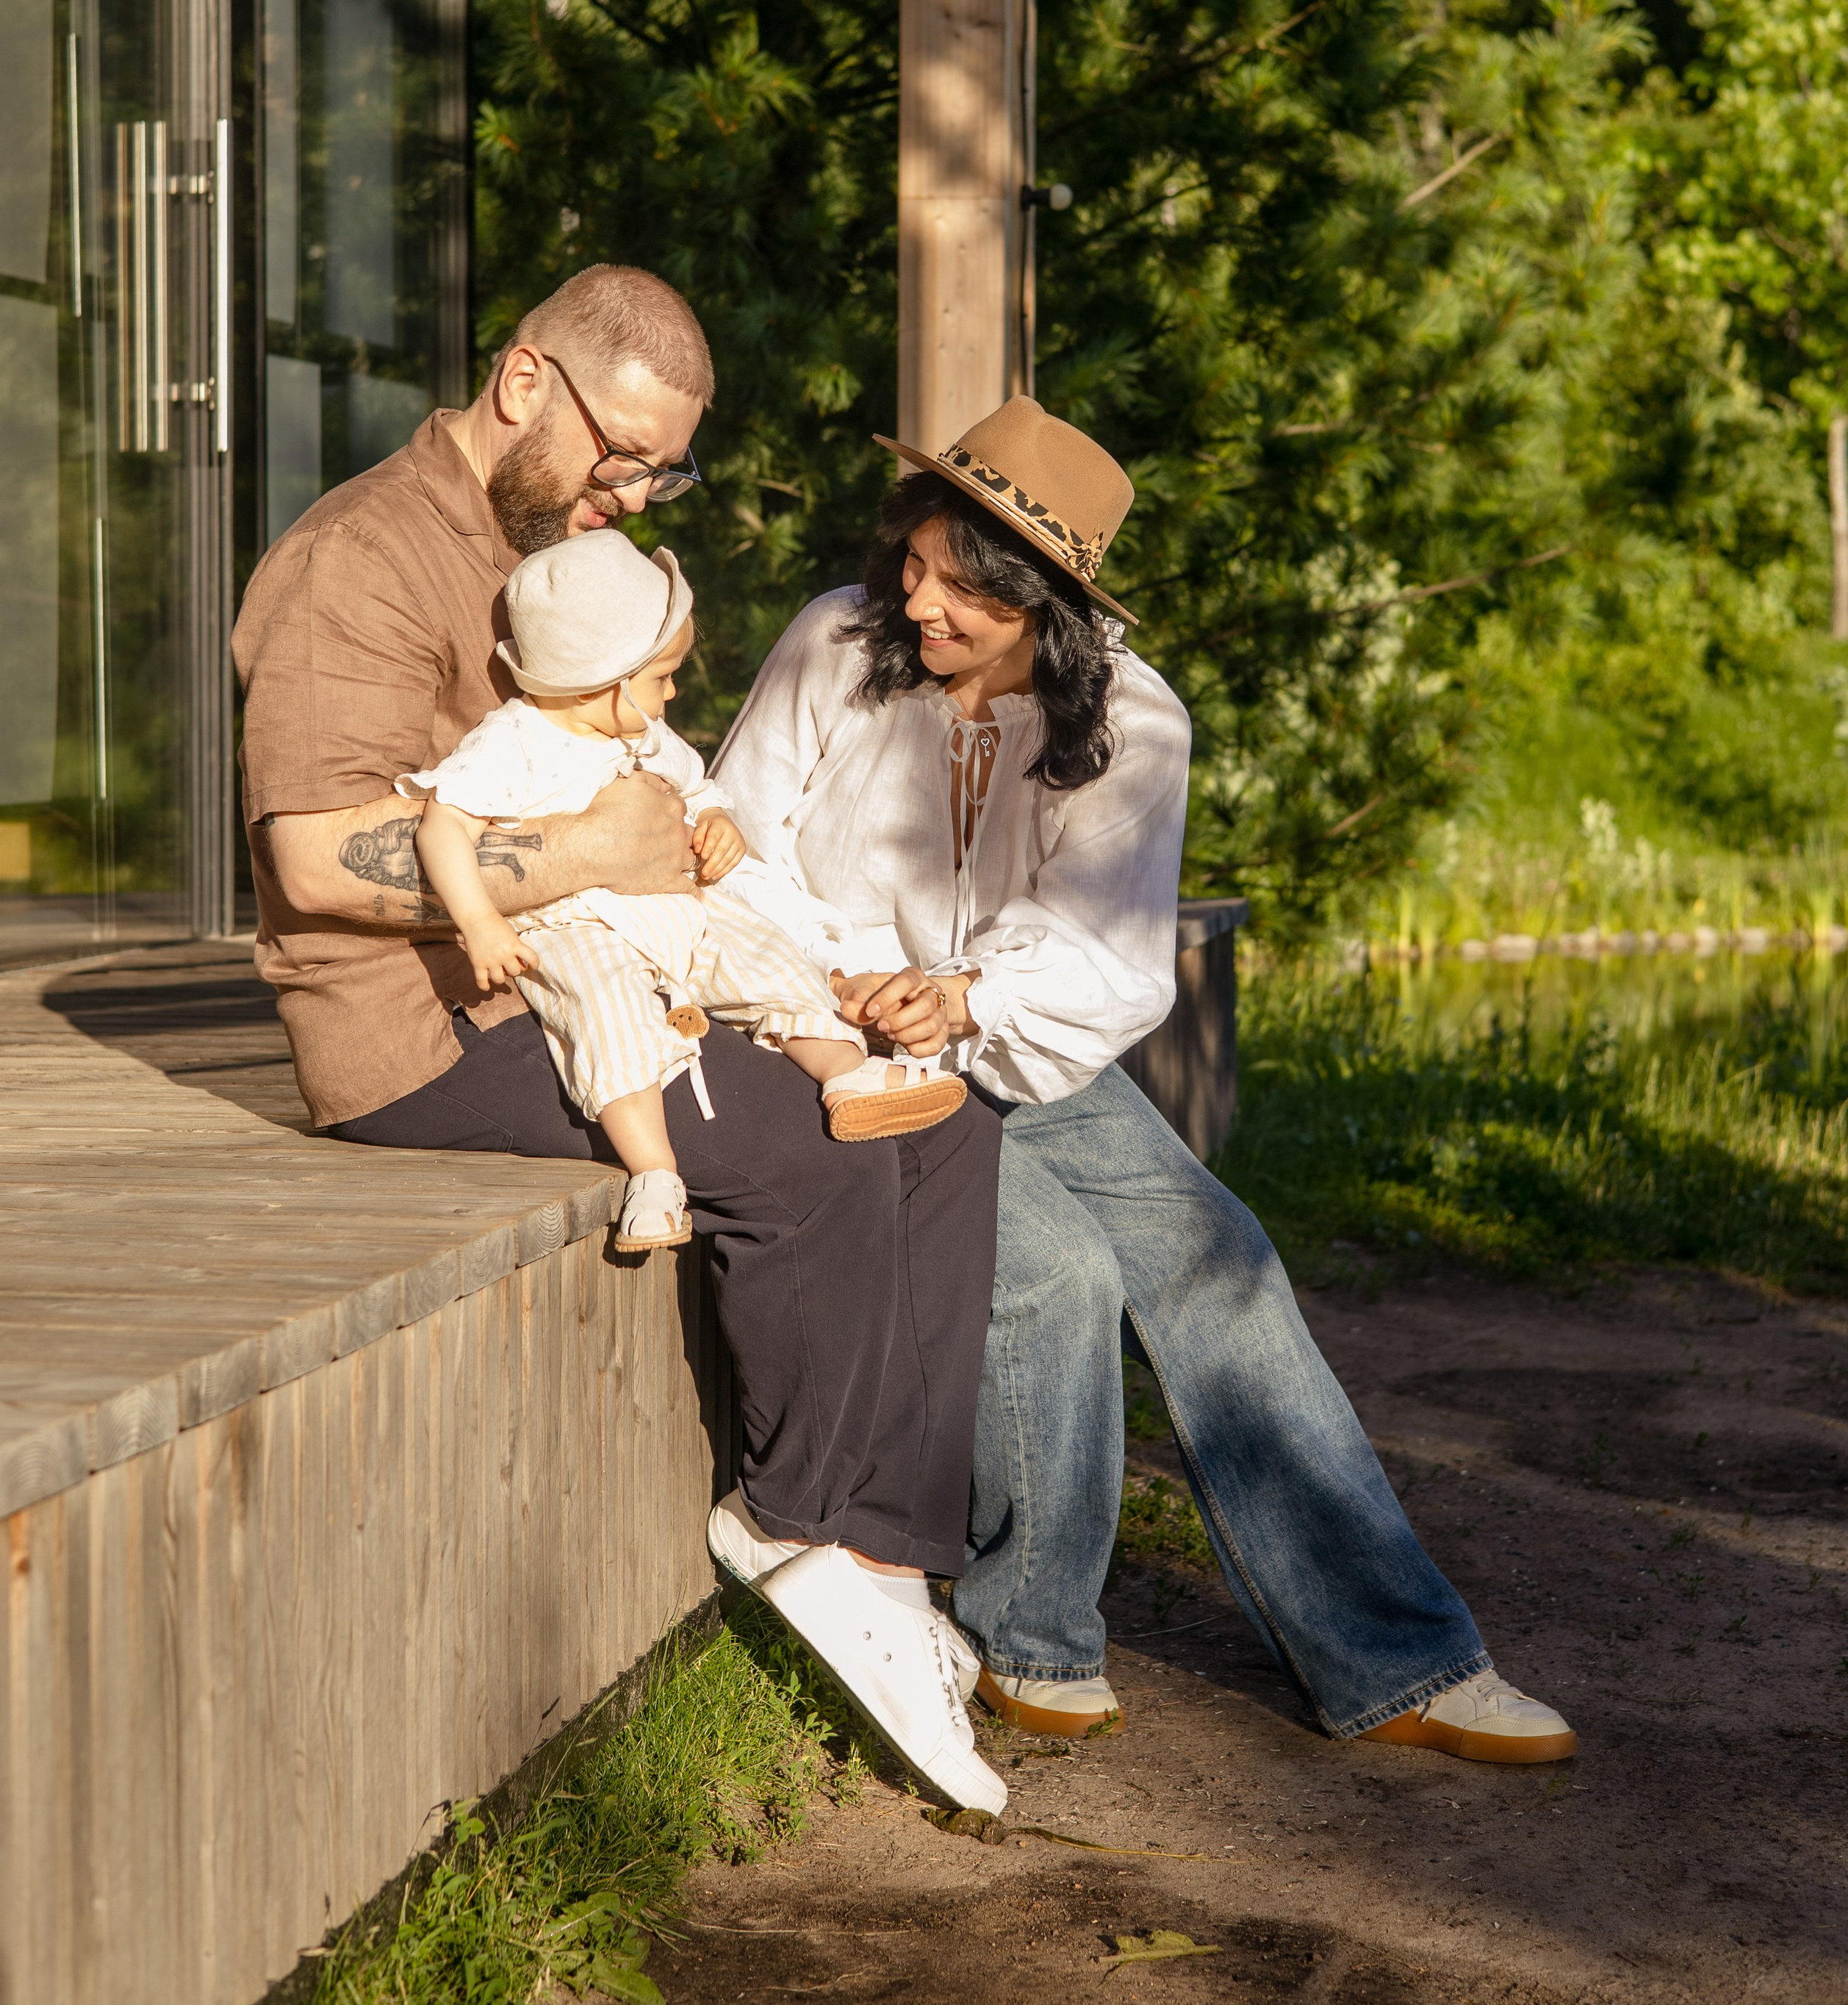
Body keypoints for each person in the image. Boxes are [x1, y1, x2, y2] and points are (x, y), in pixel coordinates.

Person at [232, 264, 1008, 1815]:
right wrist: (595, 858)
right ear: (525, 383)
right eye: (621, 454)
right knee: (802, 1152)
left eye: (663, 467)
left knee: (941, 1115)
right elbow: (317, 857)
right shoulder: (361, 560)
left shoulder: (544, 546)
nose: (637, 489)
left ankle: (883, 1555)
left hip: (573, 973)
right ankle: (793, 1523)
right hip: (428, 1040)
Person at [711, 394, 1580, 1767]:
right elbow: (732, 845)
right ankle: (1030, 1637)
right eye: (913, 561)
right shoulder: (837, 641)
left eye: (959, 585)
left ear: (1040, 603)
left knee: (1218, 1257)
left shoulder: (1131, 721)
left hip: (1006, 1035)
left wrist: (965, 996)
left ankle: (1400, 1662)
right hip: (811, 1033)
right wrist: (839, 981)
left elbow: (1105, 961)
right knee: (1054, 1266)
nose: (917, 599)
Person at [403, 526, 957, 1249]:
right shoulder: (511, 743)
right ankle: (654, 1172)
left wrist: (717, 819)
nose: (674, 690)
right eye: (663, 677)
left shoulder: (639, 733)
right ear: (604, 681)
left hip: (676, 905)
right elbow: (442, 827)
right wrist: (479, 921)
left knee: (769, 957)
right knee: (607, 1021)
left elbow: (697, 789)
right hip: (576, 925)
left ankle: (847, 1074)